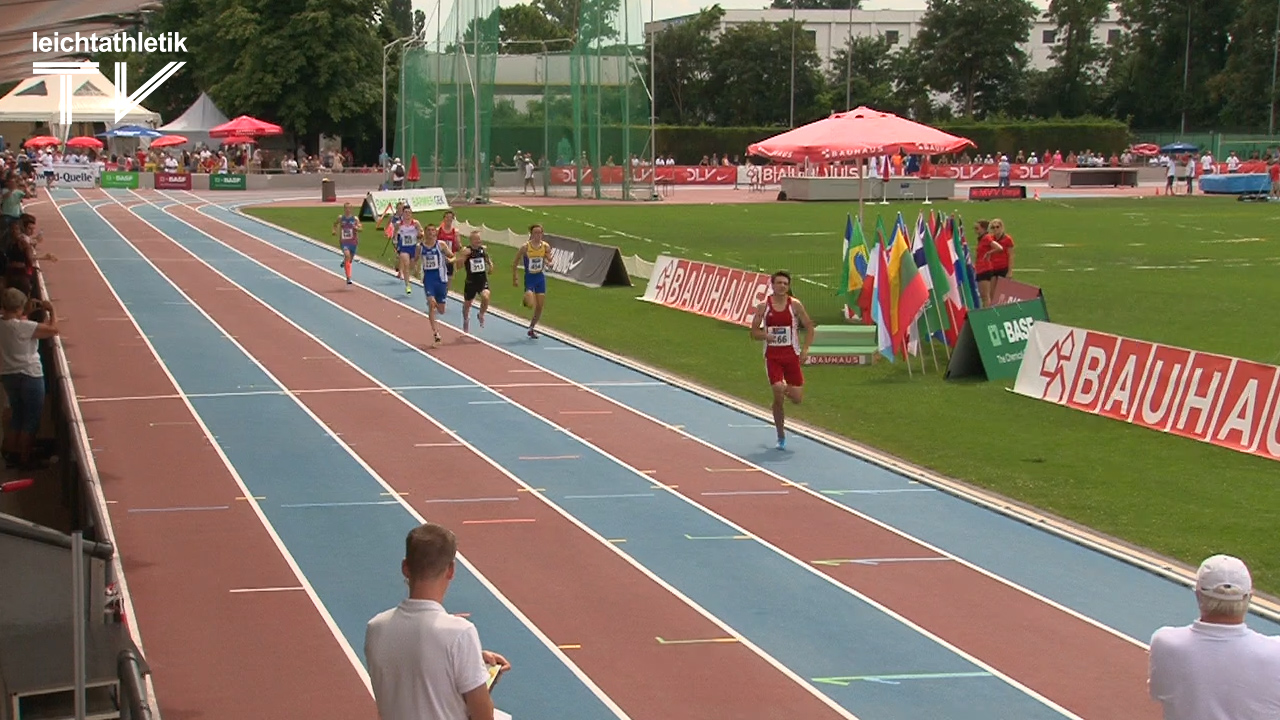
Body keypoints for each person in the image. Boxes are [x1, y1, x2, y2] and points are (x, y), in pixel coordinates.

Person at [365, 523, 510, 720]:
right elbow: (483, 715)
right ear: (451, 570)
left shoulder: (375, 628)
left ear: (405, 568)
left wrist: (469, 665)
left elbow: (412, 684)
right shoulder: (460, 633)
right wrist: (479, 673)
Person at [1148, 554, 1280, 719]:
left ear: (1198, 595)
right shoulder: (1276, 652)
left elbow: (1158, 693)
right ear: (1248, 598)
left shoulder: (1165, 642)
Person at [749, 271, 813, 451]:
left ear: (788, 286)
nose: (782, 286)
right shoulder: (764, 307)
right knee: (778, 388)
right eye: (779, 283)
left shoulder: (795, 305)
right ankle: (781, 434)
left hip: (791, 355)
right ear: (773, 284)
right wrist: (765, 335)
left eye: (785, 283)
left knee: (797, 399)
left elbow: (809, 327)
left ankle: (781, 395)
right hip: (773, 356)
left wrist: (805, 349)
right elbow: (753, 332)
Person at [0, 288, 57, 470]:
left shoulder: (4, 324)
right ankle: (25, 458)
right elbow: (53, 329)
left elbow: (16, 321)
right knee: (31, 418)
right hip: (29, 374)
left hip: (9, 375)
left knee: (17, 414)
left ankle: (10, 453)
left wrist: (26, 313)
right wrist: (51, 311)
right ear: (20, 307)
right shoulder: (23, 327)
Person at [512, 224, 552, 339]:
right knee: (530, 303)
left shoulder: (545, 246)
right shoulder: (525, 247)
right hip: (529, 278)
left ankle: (531, 328)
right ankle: (526, 298)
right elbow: (515, 263)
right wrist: (515, 278)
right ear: (531, 234)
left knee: (539, 306)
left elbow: (549, 259)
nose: (538, 235)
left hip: (540, 278)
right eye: (535, 233)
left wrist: (549, 262)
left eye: (540, 233)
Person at [420, 224, 455, 348]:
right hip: (429, 279)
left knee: (441, 310)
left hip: (441, 280)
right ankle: (436, 334)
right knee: (431, 304)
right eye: (428, 230)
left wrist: (451, 260)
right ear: (425, 232)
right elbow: (415, 261)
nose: (430, 232)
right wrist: (413, 269)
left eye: (432, 230)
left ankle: (434, 302)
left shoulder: (441, 245)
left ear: (435, 233)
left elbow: (452, 256)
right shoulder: (420, 247)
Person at [455, 231, 492, 334]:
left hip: (482, 280)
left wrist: (491, 265)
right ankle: (466, 319)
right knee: (467, 304)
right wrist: (463, 257)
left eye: (479, 239)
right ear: (471, 241)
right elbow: (458, 266)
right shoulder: (467, 251)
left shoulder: (482, 250)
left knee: (486, 296)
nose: (478, 241)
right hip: (471, 282)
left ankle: (481, 314)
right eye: (475, 239)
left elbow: (487, 258)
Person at [975, 218, 1013, 307]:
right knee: (991, 293)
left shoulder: (1007, 239)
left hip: (1003, 267)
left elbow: (1010, 255)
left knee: (1002, 293)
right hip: (992, 267)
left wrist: (1010, 271)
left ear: (1001, 227)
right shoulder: (990, 238)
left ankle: (1001, 310)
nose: (995, 229)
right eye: (993, 227)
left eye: (997, 227)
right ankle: (993, 309)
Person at [394, 207, 423, 296]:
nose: (407, 214)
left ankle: (415, 267)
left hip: (413, 247)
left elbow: (421, 232)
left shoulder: (416, 223)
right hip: (404, 247)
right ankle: (408, 285)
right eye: (405, 212)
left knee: (411, 265)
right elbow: (395, 234)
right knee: (406, 265)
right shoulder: (399, 224)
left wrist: (420, 234)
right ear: (402, 213)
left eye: (409, 212)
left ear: (411, 214)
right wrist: (395, 242)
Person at [331, 202, 362, 286]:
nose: (348, 210)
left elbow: (360, 228)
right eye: (346, 208)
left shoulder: (355, 219)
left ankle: (345, 262)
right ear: (344, 209)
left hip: (353, 242)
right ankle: (348, 278)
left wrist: (356, 228)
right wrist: (334, 230)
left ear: (351, 209)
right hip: (344, 242)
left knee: (349, 260)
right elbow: (335, 224)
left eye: (349, 208)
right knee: (347, 256)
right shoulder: (341, 218)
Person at [437, 211, 461, 294]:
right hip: (439, 258)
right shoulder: (439, 230)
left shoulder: (455, 232)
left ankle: (444, 295)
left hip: (450, 259)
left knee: (448, 279)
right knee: (438, 278)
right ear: (444, 218)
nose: (448, 219)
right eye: (447, 217)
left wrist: (458, 244)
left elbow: (458, 247)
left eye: (451, 217)